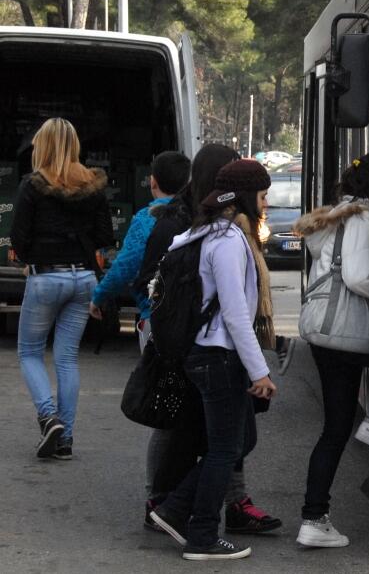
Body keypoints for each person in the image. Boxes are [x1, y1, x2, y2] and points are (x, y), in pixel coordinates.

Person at [138, 145, 281, 537]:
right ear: (246, 196)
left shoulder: (198, 231)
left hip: (203, 353)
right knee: (224, 447)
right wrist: (260, 371)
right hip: (217, 355)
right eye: (263, 196)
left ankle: (178, 510)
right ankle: (195, 526)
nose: (266, 204)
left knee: (233, 442)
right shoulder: (230, 239)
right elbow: (236, 315)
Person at [291, 152, 369, 548]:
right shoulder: (363, 220)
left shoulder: (339, 216)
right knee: (338, 426)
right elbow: (357, 277)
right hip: (343, 333)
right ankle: (314, 516)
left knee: (336, 426)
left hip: (327, 335)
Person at [11, 118, 114, 460]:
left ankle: (47, 415)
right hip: (83, 278)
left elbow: (19, 239)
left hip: (46, 277)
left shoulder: (32, 185)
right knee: (67, 357)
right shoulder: (94, 185)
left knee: (29, 352)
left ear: (43, 146)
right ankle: (66, 439)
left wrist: (32, 254)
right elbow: (104, 236)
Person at [89, 150, 191, 352]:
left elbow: (125, 266)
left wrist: (98, 297)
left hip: (156, 313)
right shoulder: (196, 216)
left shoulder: (146, 219)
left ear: (153, 182)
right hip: (192, 314)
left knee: (156, 379)